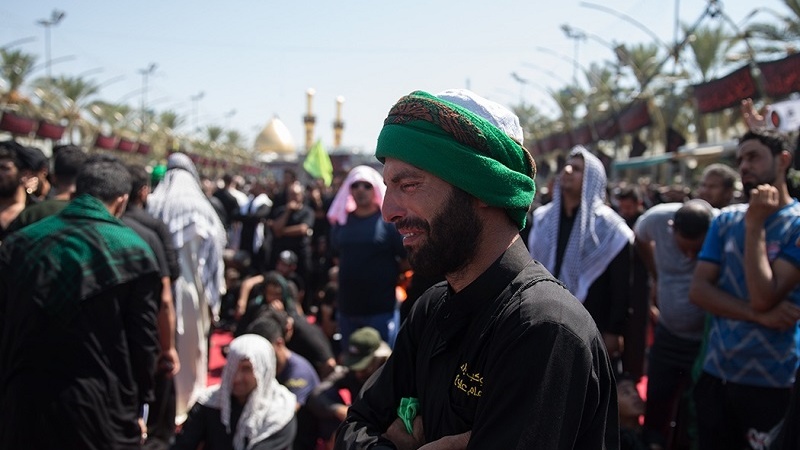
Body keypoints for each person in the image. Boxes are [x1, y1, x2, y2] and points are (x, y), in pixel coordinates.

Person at [335, 89, 618, 449]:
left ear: (482, 187)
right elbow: (354, 427)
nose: (388, 211)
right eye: (388, 187)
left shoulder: (544, 328)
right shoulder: (432, 308)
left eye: (409, 185)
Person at [0, 157, 161, 449]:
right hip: (100, 408)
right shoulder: (134, 251)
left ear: (76, 192)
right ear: (121, 202)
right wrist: (141, 403)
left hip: (24, 400)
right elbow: (143, 341)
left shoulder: (19, 243)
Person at [689, 130, 800, 450]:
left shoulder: (795, 224)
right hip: (717, 375)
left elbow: (764, 296)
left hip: (773, 382)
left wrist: (755, 225)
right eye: (740, 160)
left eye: (753, 157)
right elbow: (699, 291)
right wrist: (757, 316)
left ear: (783, 160)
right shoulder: (725, 220)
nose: (744, 166)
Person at [529, 145, 634, 367]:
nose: (567, 171)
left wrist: (614, 330)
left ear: (592, 180)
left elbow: (621, 287)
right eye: (567, 166)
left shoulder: (610, 229)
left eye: (576, 169)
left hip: (591, 324)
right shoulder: (542, 219)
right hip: (543, 320)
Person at [148, 152, 227, 423]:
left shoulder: (153, 203)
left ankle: (164, 406)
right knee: (192, 346)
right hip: (193, 289)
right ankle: (188, 403)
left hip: (160, 287)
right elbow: (215, 255)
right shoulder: (202, 207)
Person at [634, 199, 716, 449]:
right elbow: (640, 238)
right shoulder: (655, 221)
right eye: (685, 249)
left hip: (705, 344)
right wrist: (656, 275)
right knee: (657, 399)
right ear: (672, 230)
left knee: (697, 408)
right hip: (667, 337)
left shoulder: (720, 226)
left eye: (697, 251)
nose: (690, 257)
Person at [172, 334, 297, 450]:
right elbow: (183, 444)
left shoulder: (280, 411)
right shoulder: (210, 402)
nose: (237, 378)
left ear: (263, 371)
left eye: (246, 369)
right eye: (233, 367)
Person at [328, 165, 407, 348]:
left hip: (381, 309)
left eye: (366, 185)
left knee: (382, 361)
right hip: (348, 309)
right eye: (355, 185)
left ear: (375, 189)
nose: (360, 190)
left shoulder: (389, 223)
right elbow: (336, 257)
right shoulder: (341, 223)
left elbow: (406, 260)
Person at [309, 327, 391, 450]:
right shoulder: (350, 373)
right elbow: (316, 395)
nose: (358, 373)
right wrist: (338, 410)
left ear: (377, 358)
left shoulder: (389, 375)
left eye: (363, 367)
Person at [8, 144, 87, 231]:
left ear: (51, 176)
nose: (24, 179)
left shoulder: (33, 213)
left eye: (30, 174)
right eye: (23, 174)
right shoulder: (88, 214)